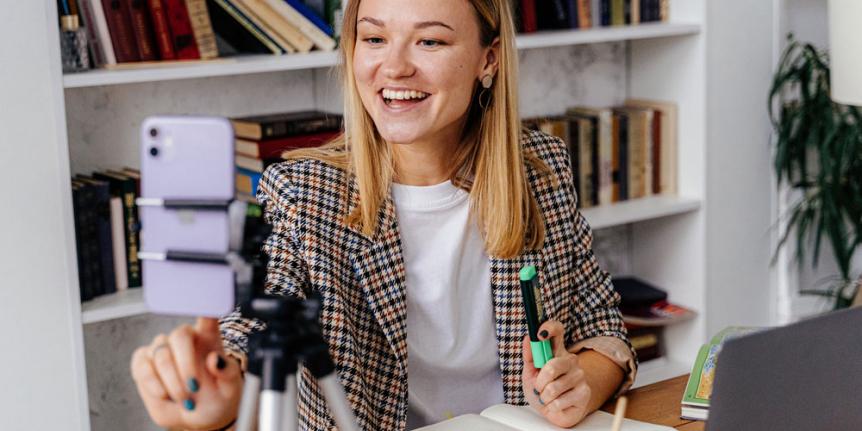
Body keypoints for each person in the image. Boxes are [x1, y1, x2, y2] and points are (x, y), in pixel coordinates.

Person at [130, 0, 637, 429]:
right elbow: (255, 326)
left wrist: (581, 383)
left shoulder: (540, 169)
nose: (393, 68)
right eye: (373, 40)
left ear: (489, 59)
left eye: (429, 42)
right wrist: (223, 384)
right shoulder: (303, 192)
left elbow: (602, 324)